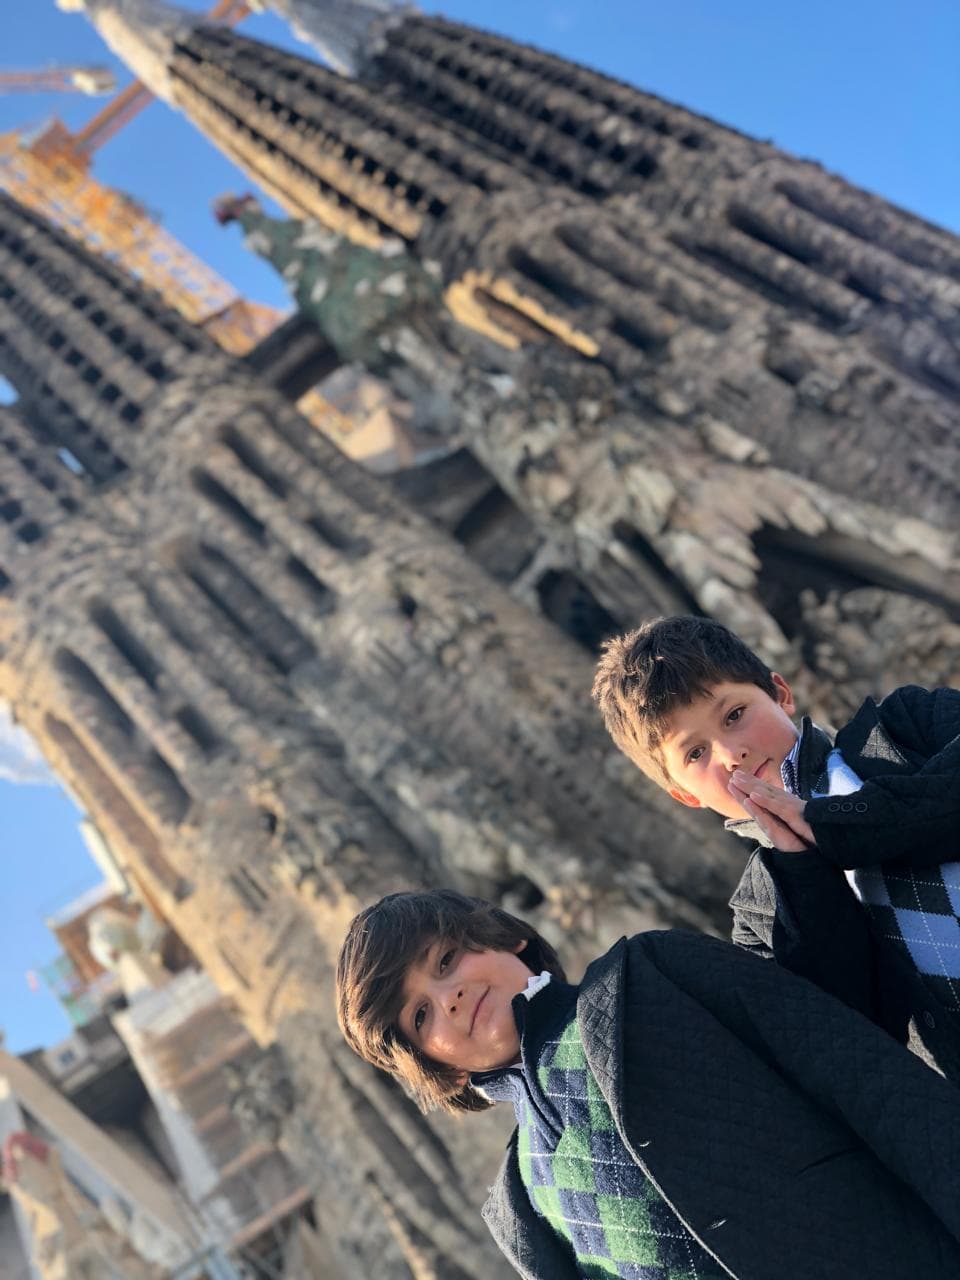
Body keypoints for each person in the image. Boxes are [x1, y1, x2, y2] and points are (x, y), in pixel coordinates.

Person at [337, 888, 960, 1279]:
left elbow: (872, 1085)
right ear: (433, 1065)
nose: (448, 999)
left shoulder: (652, 973)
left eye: (446, 962)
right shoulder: (519, 1206)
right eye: (419, 1016)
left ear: (509, 939)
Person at [592, 614, 960, 1076]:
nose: (731, 755)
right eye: (695, 753)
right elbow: (847, 1037)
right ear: (684, 795)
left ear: (780, 693)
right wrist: (803, 871)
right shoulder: (761, 922)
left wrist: (831, 824)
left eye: (734, 715)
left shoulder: (908, 725)